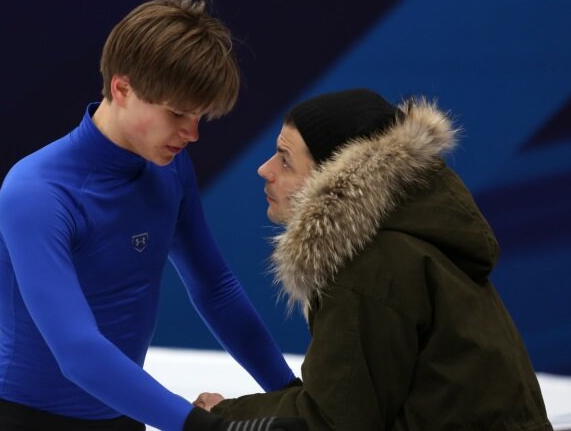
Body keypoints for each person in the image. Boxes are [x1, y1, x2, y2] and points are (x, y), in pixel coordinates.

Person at [0, 0, 307, 431]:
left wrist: (288, 395)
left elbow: (215, 288)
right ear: (121, 88)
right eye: (177, 113)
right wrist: (203, 427)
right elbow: (78, 351)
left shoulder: (170, 165)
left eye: (200, 117)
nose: (192, 133)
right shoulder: (37, 193)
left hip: (124, 419)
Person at [194, 89, 552, 430]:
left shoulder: (369, 267)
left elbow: (332, 423)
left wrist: (222, 417)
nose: (265, 169)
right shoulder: (410, 244)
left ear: (334, 181)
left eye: (286, 161)